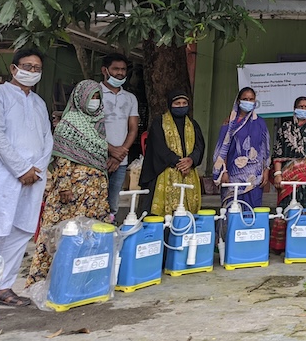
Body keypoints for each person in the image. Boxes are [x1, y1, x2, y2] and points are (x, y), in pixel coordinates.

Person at [26, 80, 111, 286]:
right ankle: (44, 281)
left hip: (94, 193)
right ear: (80, 98)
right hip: (72, 191)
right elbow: (62, 158)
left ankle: (81, 280)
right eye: (91, 97)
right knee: (57, 234)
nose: (95, 101)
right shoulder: (68, 123)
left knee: (88, 235)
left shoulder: (99, 124)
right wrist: (64, 187)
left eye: (98, 97)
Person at [0, 49, 53, 306]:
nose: (32, 72)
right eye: (28, 66)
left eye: (37, 68)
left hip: (34, 176)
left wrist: (36, 168)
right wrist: (20, 169)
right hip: (4, 174)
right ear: (14, 69)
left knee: (21, 231)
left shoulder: (39, 103)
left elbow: (47, 138)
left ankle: (4, 288)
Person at [270, 96, 306, 254]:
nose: (303, 109)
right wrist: (277, 174)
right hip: (287, 175)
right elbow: (278, 153)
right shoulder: (285, 128)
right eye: (300, 106)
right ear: (294, 108)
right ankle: (280, 246)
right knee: (284, 210)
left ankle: (304, 243)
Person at [139, 90, 205, 216]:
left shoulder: (193, 124)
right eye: (177, 103)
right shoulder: (159, 123)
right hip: (164, 172)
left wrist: (191, 160)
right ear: (170, 104)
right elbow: (159, 147)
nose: (181, 106)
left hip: (188, 174)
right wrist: (179, 163)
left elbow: (199, 146)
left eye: (184, 103)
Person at [212, 87, 271, 209]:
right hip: (233, 176)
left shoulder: (260, 123)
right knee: (231, 212)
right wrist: (223, 171)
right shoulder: (229, 123)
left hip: (255, 178)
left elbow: (265, 148)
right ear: (238, 101)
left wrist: (266, 169)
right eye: (245, 99)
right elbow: (222, 150)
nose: (248, 102)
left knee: (251, 214)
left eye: (251, 99)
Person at [100, 53, 139, 221]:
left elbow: (133, 129)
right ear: (105, 70)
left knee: (113, 203)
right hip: (97, 157)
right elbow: (88, 129)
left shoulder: (130, 98)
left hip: (120, 161)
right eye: (116, 69)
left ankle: (109, 232)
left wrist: (120, 154)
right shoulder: (94, 94)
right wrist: (110, 150)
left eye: (123, 69)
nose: (120, 73)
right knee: (93, 197)